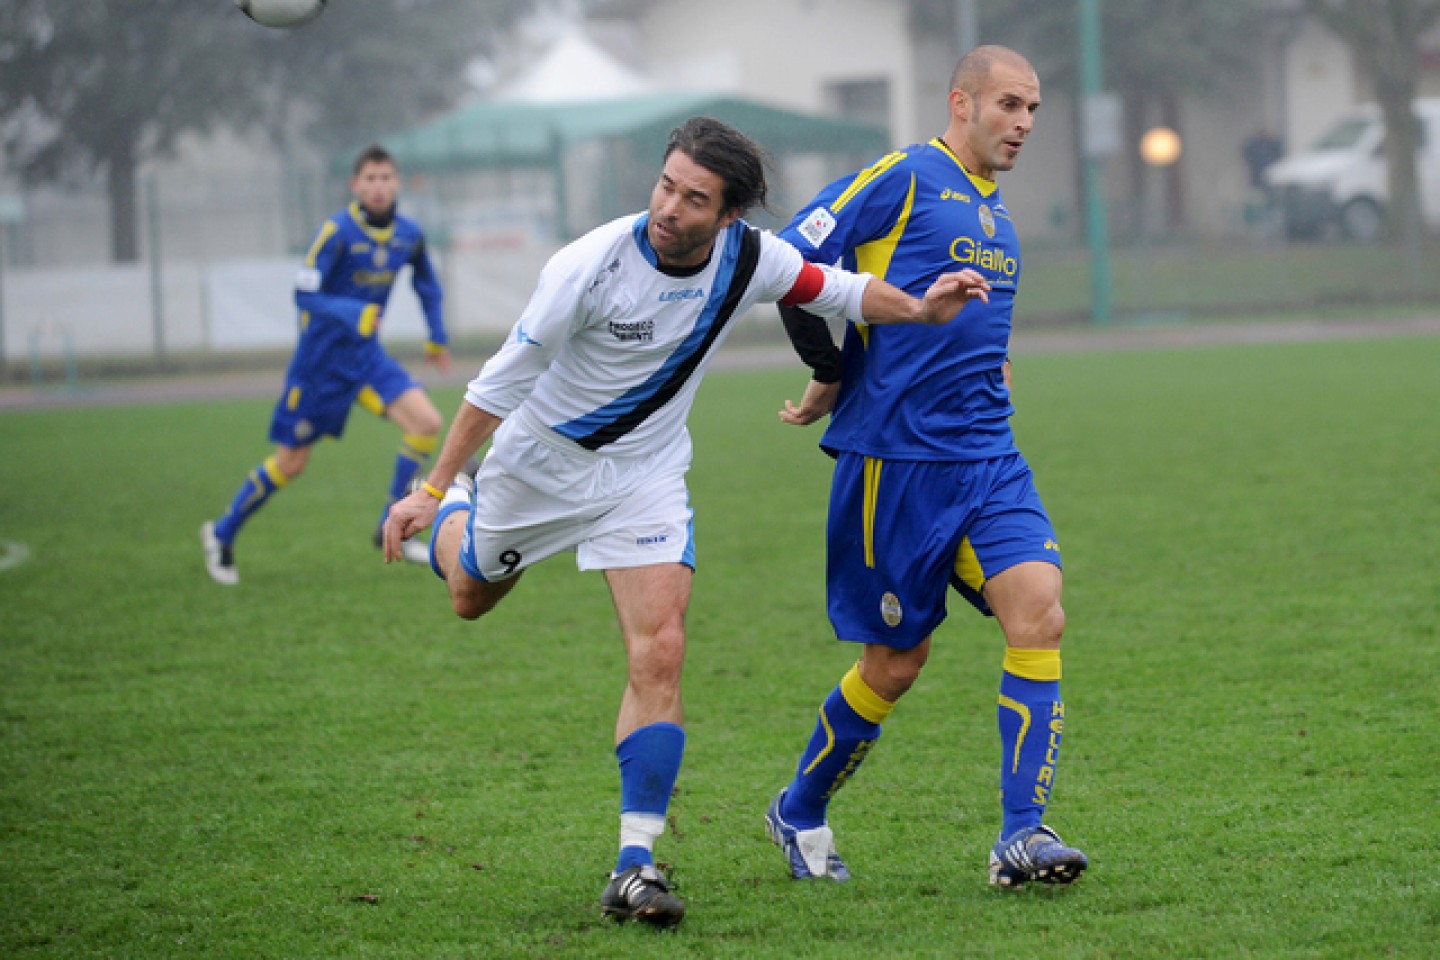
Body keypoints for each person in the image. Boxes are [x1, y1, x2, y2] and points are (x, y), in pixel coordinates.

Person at [381, 116, 992, 928]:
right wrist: (434, 487)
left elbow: (836, 289)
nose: (669, 206)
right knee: (469, 593)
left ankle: (635, 863)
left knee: (660, 649)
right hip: (539, 468)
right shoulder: (589, 265)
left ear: (728, 215)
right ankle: (456, 521)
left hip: (646, 479)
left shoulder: (749, 259)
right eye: (666, 185)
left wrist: (917, 307)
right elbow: (498, 385)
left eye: (693, 197)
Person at [763, 45, 1088, 890]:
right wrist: (832, 374)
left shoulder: (999, 215)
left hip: (990, 457)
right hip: (895, 464)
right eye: (1009, 105)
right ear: (961, 102)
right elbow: (790, 264)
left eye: (1033, 110)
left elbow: (989, 340)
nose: (1022, 124)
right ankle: (798, 808)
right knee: (895, 665)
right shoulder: (905, 177)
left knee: (1040, 615)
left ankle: (1022, 836)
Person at [200, 144, 451, 585]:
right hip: (320, 366)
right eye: (369, 179)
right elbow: (304, 294)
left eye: (385, 178)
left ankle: (389, 522)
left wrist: (436, 334)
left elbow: (427, 283)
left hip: (367, 361)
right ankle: (221, 534)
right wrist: (354, 312)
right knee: (291, 464)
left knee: (425, 422)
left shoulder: (408, 235)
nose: (378, 186)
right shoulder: (336, 232)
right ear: (355, 185)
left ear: (397, 183)